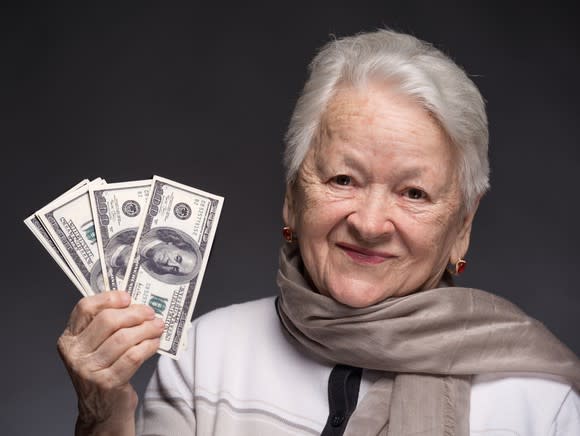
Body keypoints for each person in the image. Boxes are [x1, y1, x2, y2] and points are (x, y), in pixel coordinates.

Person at [57, 29, 580, 436]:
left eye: (414, 193)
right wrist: (104, 416)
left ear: (462, 226)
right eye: (343, 179)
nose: (370, 224)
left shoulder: (540, 401)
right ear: (293, 195)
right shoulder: (205, 357)